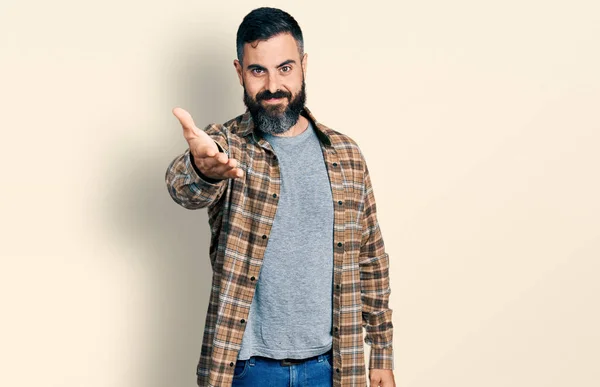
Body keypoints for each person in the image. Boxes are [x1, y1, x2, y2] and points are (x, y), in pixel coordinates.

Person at [165, 7, 395, 387]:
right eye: (259, 71)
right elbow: (181, 188)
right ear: (240, 72)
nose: (273, 85)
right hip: (249, 369)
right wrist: (203, 169)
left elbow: (371, 258)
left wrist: (382, 353)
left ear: (303, 65)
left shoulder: (346, 155)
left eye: (285, 68)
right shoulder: (226, 145)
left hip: (333, 366)